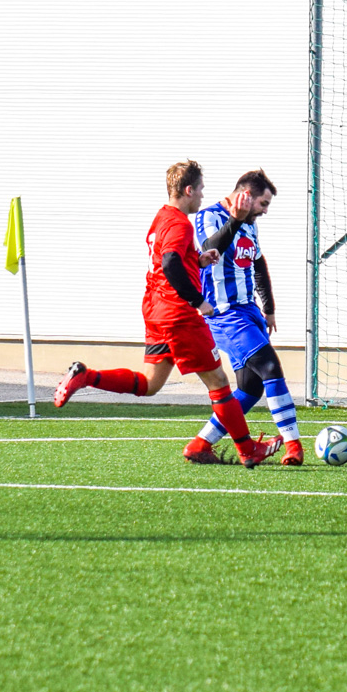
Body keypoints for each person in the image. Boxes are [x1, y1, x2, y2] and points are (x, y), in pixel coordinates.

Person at [53, 161, 282, 468]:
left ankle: (86, 376)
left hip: (155, 310)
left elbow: (172, 257)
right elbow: (170, 262)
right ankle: (247, 449)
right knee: (218, 382)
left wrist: (198, 259)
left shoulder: (162, 217)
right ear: (188, 190)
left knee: (150, 384)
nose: (203, 195)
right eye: (200, 189)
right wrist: (198, 300)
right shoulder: (180, 224)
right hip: (179, 314)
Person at [184, 169, 304, 466]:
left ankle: (200, 444)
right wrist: (236, 219)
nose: (265, 211)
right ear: (246, 197)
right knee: (270, 367)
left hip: (248, 311)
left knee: (250, 388)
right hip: (224, 314)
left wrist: (269, 308)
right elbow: (208, 249)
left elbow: (258, 264)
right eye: (263, 204)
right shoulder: (209, 216)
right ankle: (293, 445)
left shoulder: (249, 224)